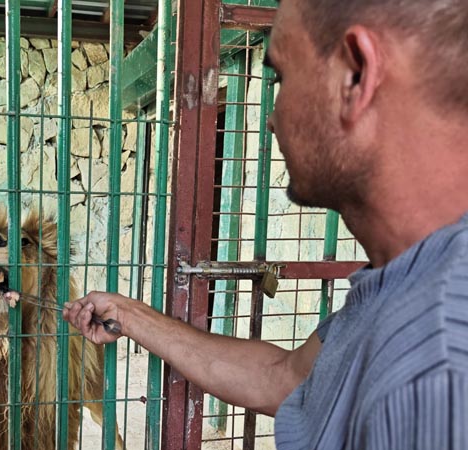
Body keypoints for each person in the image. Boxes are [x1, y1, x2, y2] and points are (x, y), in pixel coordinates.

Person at [62, 0, 468, 448]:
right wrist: (129, 315)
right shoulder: (404, 283)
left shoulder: (439, 367)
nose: (272, 120)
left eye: (282, 77)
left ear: (355, 76)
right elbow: (284, 377)